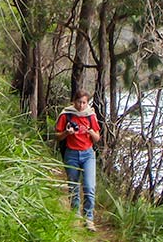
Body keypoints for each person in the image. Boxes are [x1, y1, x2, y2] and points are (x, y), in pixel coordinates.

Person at [55, 90, 101, 231]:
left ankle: (88, 219)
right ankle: (75, 217)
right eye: (79, 102)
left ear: (87, 103)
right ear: (73, 102)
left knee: (89, 186)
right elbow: (57, 136)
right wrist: (66, 133)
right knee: (73, 187)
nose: (81, 106)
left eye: (84, 102)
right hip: (71, 154)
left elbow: (97, 137)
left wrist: (91, 132)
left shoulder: (90, 116)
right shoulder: (66, 115)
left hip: (88, 154)